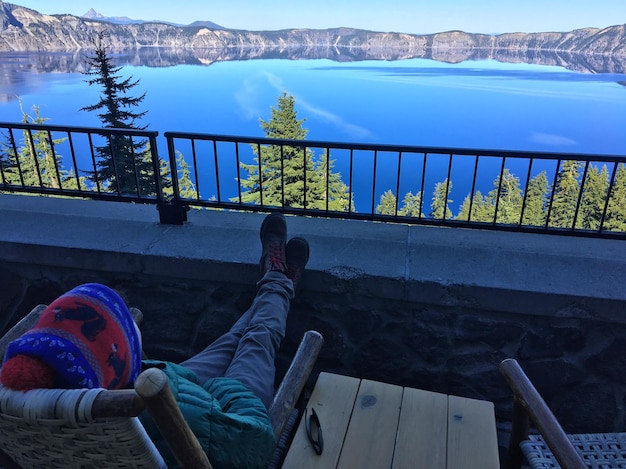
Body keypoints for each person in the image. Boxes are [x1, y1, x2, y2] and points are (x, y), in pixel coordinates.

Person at [0, 212, 309, 469]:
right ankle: (278, 281)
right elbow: (254, 439)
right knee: (258, 339)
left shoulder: (36, 403)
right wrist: (219, 387)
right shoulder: (140, 411)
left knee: (238, 336)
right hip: (215, 410)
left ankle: (276, 281)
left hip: (168, 387)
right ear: (117, 360)